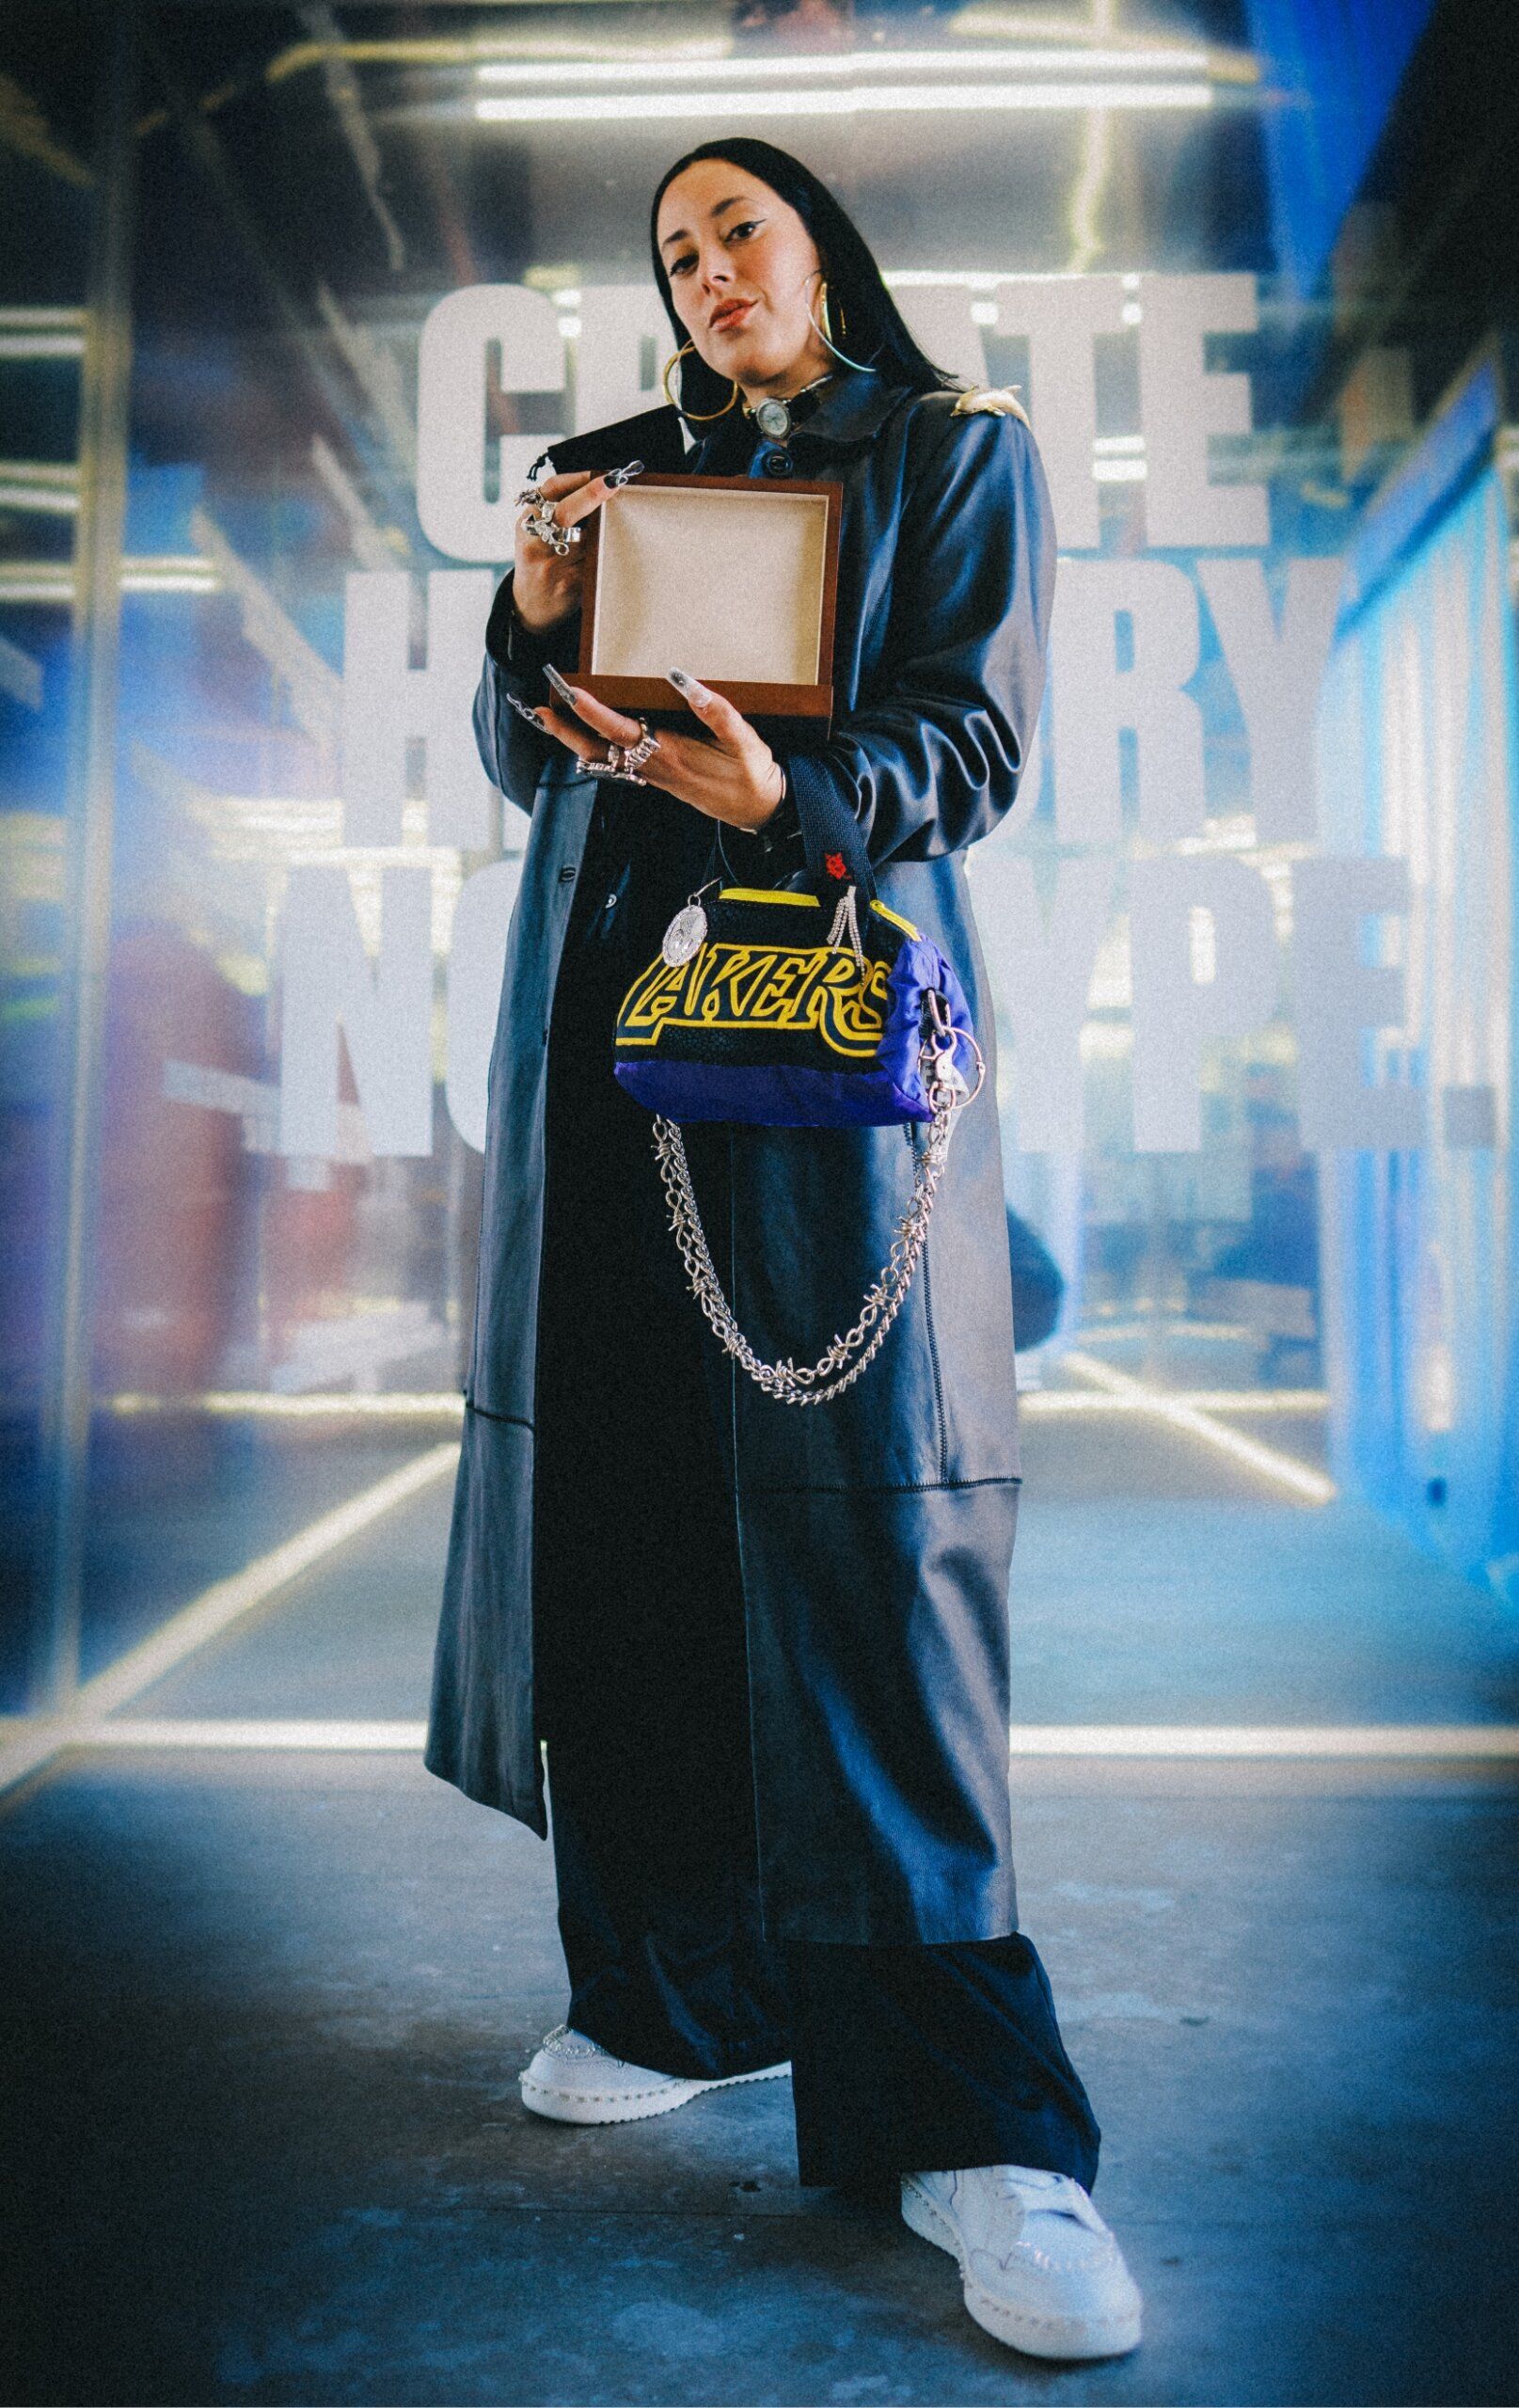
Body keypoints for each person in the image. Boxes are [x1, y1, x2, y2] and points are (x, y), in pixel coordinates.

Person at [424, 136, 1143, 2363]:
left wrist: (789, 800)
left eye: (737, 227)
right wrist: (538, 612)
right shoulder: (620, 474)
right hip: (608, 1060)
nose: (708, 268)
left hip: (824, 1057)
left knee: (866, 1561)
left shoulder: (945, 451)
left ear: (818, 242)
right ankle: (686, 1993)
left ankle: (979, 2126)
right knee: (631, 1532)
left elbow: (978, 739)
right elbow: (516, 756)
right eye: (672, 252)